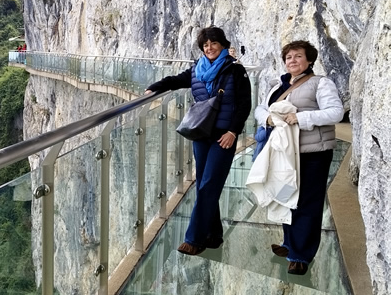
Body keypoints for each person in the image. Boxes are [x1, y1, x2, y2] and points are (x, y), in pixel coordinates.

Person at [146, 27, 251, 256]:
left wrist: (233, 132)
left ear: (223, 45)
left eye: (214, 44)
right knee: (203, 183)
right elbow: (176, 80)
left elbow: (244, 104)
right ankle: (214, 235)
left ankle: (194, 238)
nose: (209, 48)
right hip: (201, 134)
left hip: (224, 136)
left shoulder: (235, 71)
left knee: (208, 184)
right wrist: (155, 87)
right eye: (205, 45)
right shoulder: (197, 70)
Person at [253, 40, 344, 275]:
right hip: (285, 153)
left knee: (307, 202)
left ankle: (301, 255)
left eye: (298, 56)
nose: (292, 61)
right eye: (288, 57)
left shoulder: (321, 83)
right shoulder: (278, 86)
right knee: (286, 196)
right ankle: (289, 243)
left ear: (309, 60)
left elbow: (336, 112)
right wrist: (269, 119)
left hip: (313, 153)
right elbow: (260, 109)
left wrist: (301, 119)